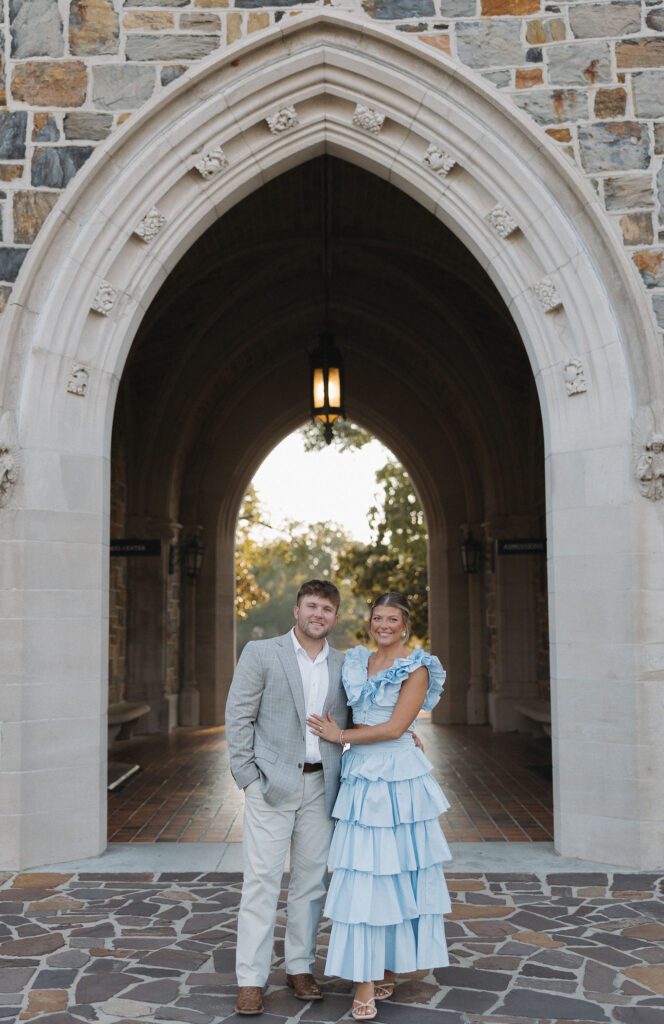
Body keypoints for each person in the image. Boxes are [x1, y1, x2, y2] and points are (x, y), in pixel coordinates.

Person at [307, 591, 451, 1021]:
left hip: (399, 780)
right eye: (377, 618)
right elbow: (350, 713)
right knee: (366, 874)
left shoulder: (418, 667)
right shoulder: (355, 662)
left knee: (398, 872)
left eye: (392, 619)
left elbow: (394, 727)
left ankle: (383, 968)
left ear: (405, 625)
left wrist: (342, 737)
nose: (383, 625)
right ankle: (365, 977)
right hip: (360, 778)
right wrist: (346, 735)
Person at [225, 579, 349, 1016]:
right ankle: (251, 979)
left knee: (311, 883)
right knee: (261, 883)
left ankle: (300, 966)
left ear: (335, 617)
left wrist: (404, 733)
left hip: (321, 786)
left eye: (327, 609)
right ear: (297, 610)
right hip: (271, 784)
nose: (319, 614)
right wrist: (247, 777)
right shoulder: (262, 654)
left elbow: (367, 713)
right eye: (312, 606)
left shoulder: (343, 665)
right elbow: (238, 715)